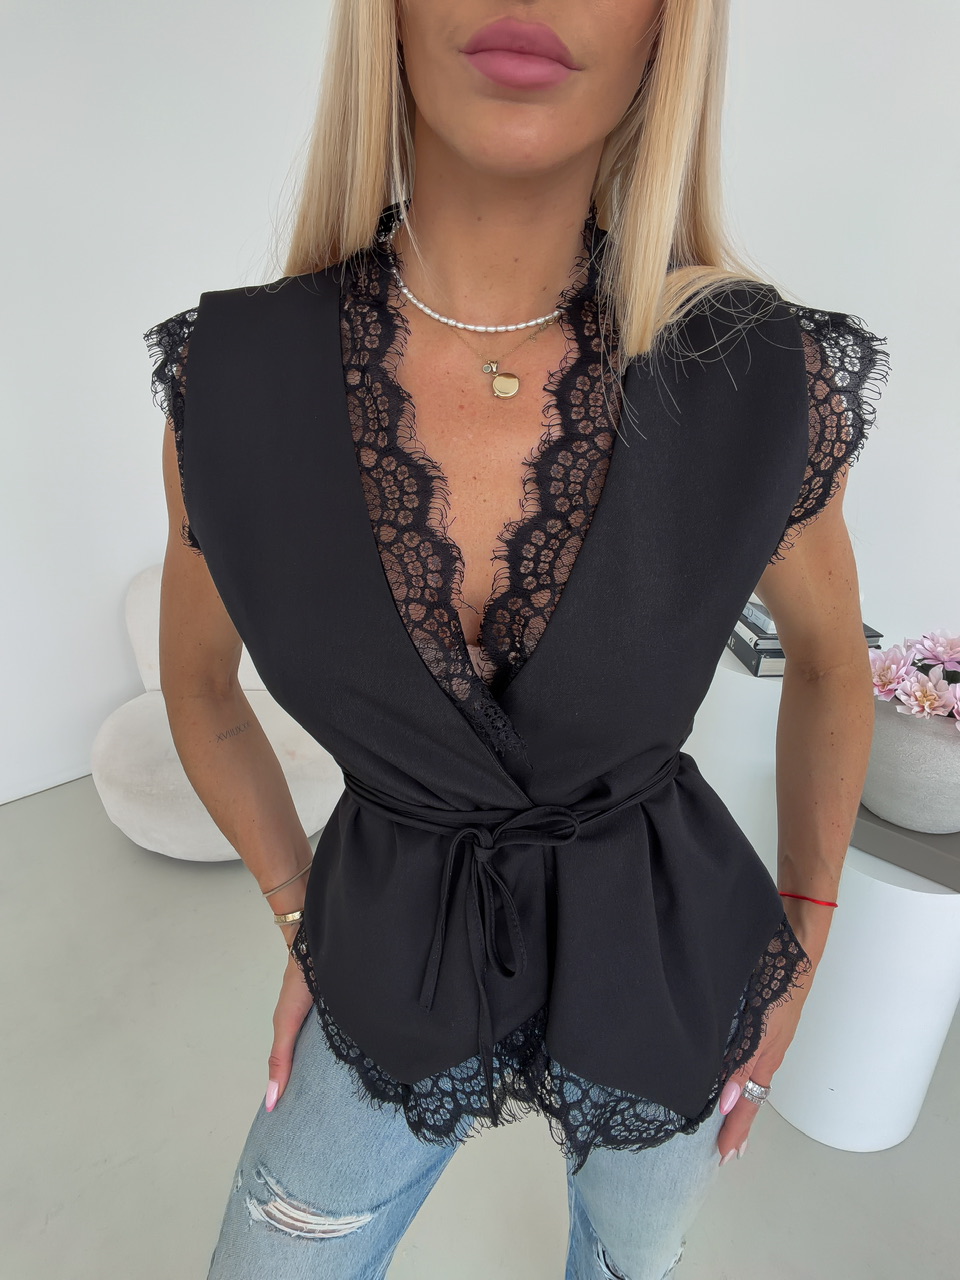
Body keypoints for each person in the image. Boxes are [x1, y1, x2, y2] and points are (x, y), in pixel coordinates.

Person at [144, 2, 889, 1277]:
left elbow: (830, 660)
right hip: (386, 949)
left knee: (631, 1255)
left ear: (666, 35)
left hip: (666, 959)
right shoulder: (237, 382)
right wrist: (302, 914)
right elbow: (202, 689)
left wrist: (804, 947)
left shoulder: (752, 376)